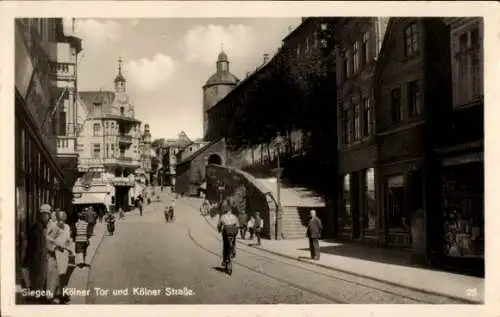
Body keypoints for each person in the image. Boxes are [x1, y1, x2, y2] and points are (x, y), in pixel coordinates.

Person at [19, 203, 52, 302]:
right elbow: (30, 244)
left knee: (42, 277)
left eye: (46, 214)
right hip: (37, 256)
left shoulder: (48, 226)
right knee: (38, 277)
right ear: (40, 214)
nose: (45, 216)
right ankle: (38, 296)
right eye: (43, 214)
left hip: (43, 256)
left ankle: (39, 295)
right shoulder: (36, 228)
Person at [46, 210, 73, 304]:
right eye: (59, 219)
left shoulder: (67, 227)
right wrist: (57, 246)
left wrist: (69, 245)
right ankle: (51, 296)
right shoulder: (54, 227)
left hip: (64, 254)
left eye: (63, 219)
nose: (61, 221)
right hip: (55, 253)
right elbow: (48, 239)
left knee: (62, 274)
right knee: (54, 275)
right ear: (57, 219)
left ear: (65, 218)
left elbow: (68, 239)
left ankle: (61, 294)